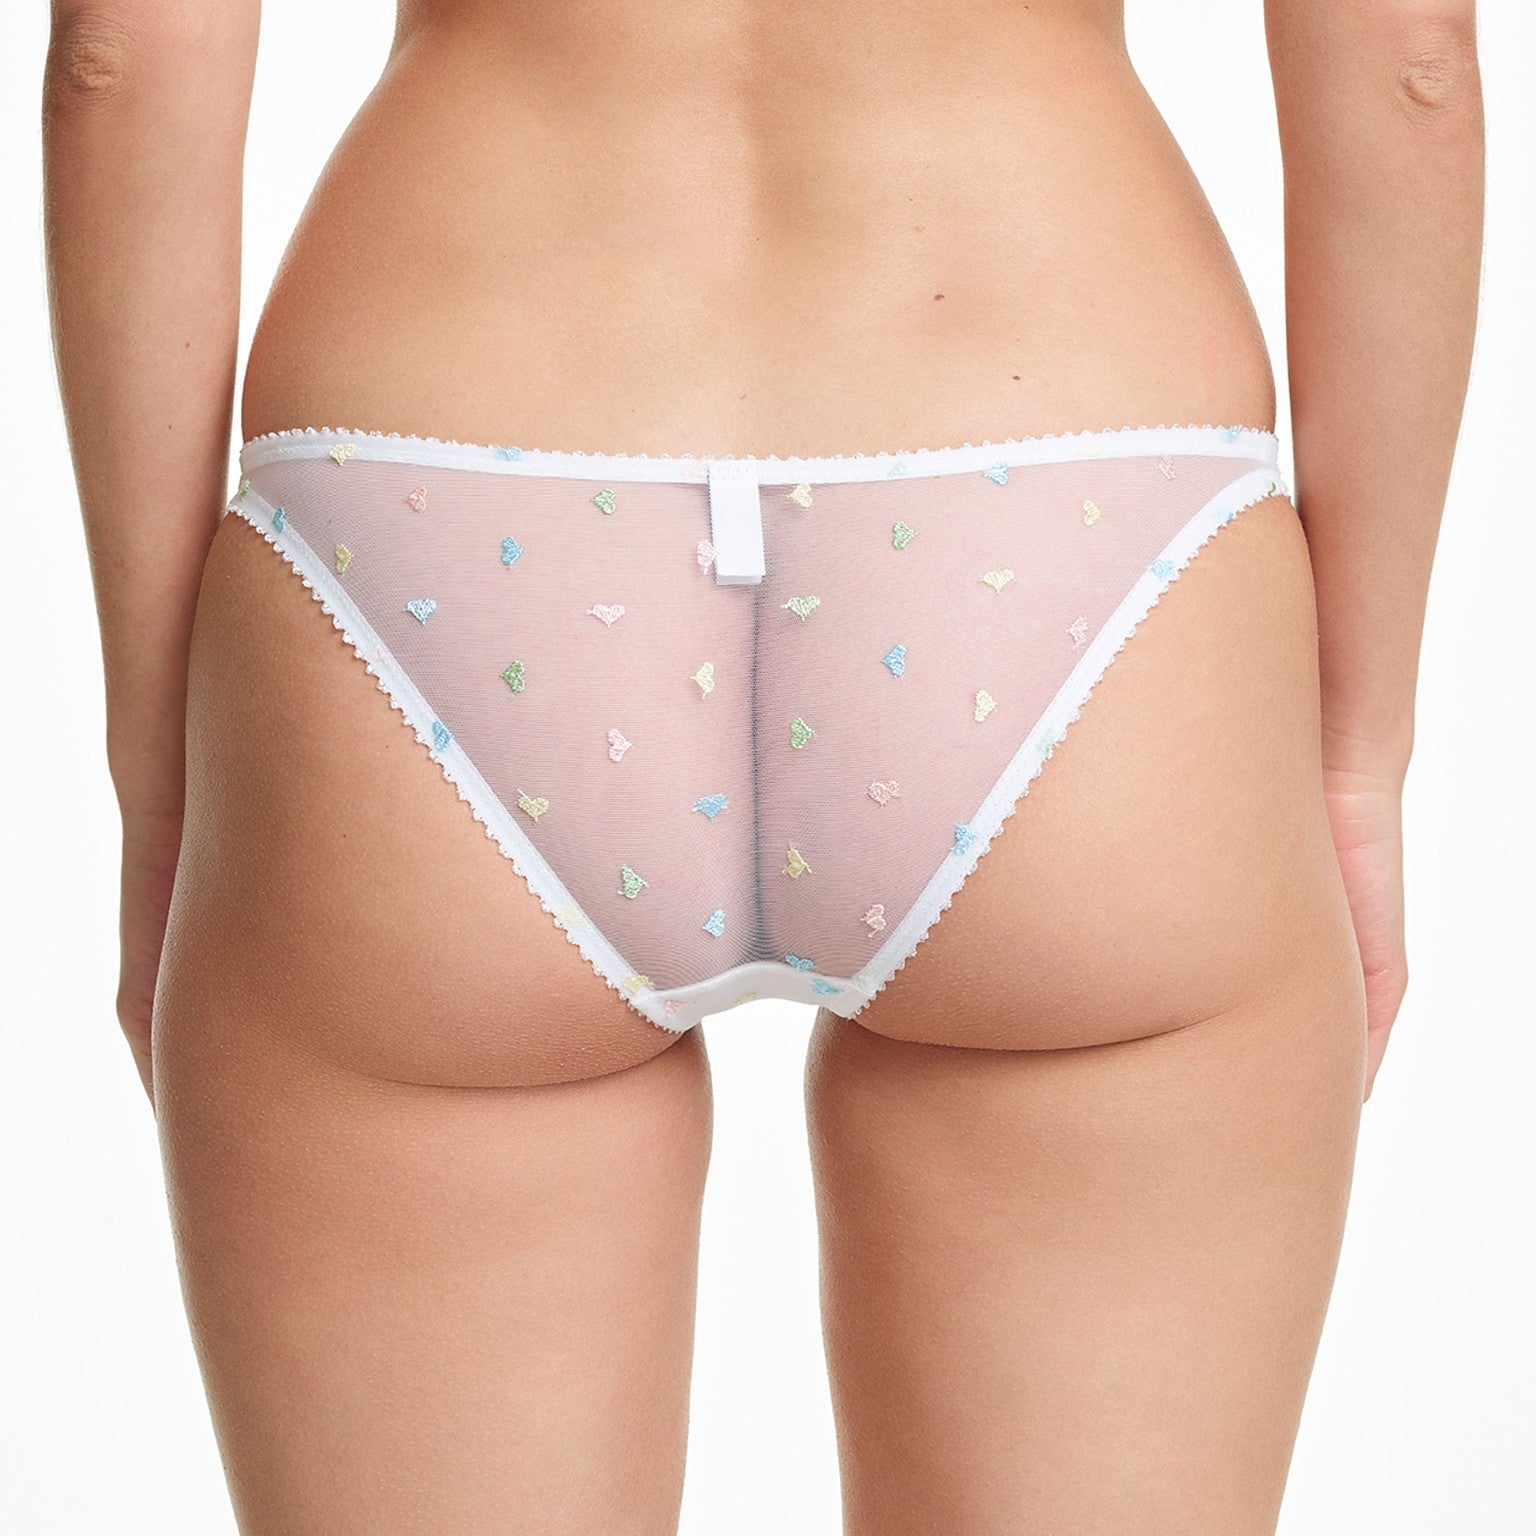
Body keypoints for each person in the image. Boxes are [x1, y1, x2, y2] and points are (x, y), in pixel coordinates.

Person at [40, 1, 1483, 1531]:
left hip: (439, 496)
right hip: (1070, 497)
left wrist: (158, 765)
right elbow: (1408, 64)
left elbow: (118, 62)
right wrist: (1357, 752)